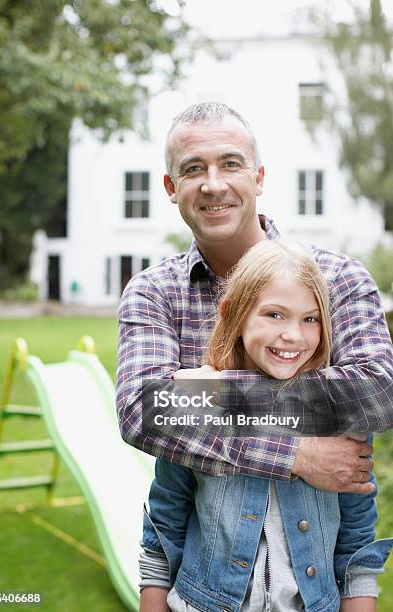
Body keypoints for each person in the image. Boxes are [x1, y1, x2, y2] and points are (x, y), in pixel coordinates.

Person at [116, 101, 393, 492]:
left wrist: (207, 392)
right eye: (194, 168)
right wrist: (295, 455)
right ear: (171, 188)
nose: (213, 184)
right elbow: (140, 412)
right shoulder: (154, 292)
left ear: (258, 178)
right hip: (207, 548)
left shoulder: (338, 277)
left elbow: (377, 392)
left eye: (231, 164)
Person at [139, 240, 392, 612]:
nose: (293, 334)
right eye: (275, 314)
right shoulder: (195, 407)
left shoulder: (343, 418)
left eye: (310, 318)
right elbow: (165, 524)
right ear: (235, 315)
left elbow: (356, 543)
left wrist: (216, 393)